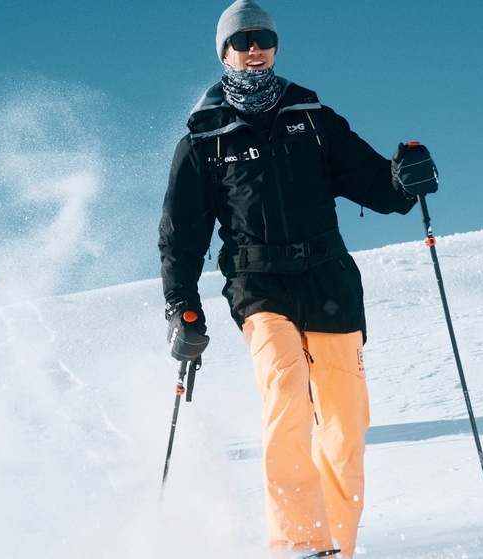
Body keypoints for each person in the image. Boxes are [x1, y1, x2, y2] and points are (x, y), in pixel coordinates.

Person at [158, 1, 439, 557]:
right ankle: (299, 544)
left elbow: (378, 188)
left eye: (263, 37)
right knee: (286, 392)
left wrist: (407, 176)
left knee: (343, 426)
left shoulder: (312, 118)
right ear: (224, 51)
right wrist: (181, 307)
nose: (254, 47)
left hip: (328, 280)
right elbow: (181, 234)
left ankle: (340, 547)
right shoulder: (204, 136)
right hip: (259, 285)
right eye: (241, 40)